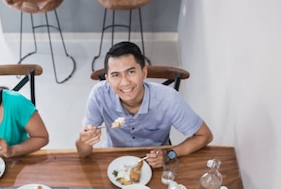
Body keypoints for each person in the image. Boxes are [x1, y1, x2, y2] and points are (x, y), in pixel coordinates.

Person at [76, 41, 213, 168]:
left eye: (130, 72)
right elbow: (84, 153)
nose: (124, 82)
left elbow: (204, 136)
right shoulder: (99, 95)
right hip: (114, 158)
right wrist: (84, 140)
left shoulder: (169, 100)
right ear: (108, 80)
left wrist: (170, 154)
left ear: (144, 72)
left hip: (155, 162)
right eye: (116, 75)